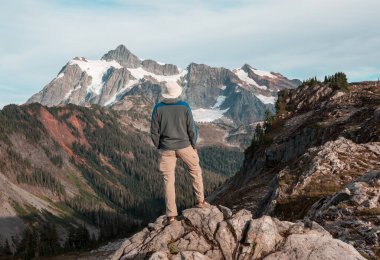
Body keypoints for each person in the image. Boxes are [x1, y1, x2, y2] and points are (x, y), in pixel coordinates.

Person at [150, 81, 209, 224]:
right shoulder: (184, 107)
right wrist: (193, 145)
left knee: (168, 181)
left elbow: (154, 131)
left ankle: (171, 216)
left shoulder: (158, 108)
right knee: (195, 171)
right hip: (185, 146)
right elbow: (192, 129)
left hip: (166, 148)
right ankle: (200, 201)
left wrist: (160, 145)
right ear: (178, 92)